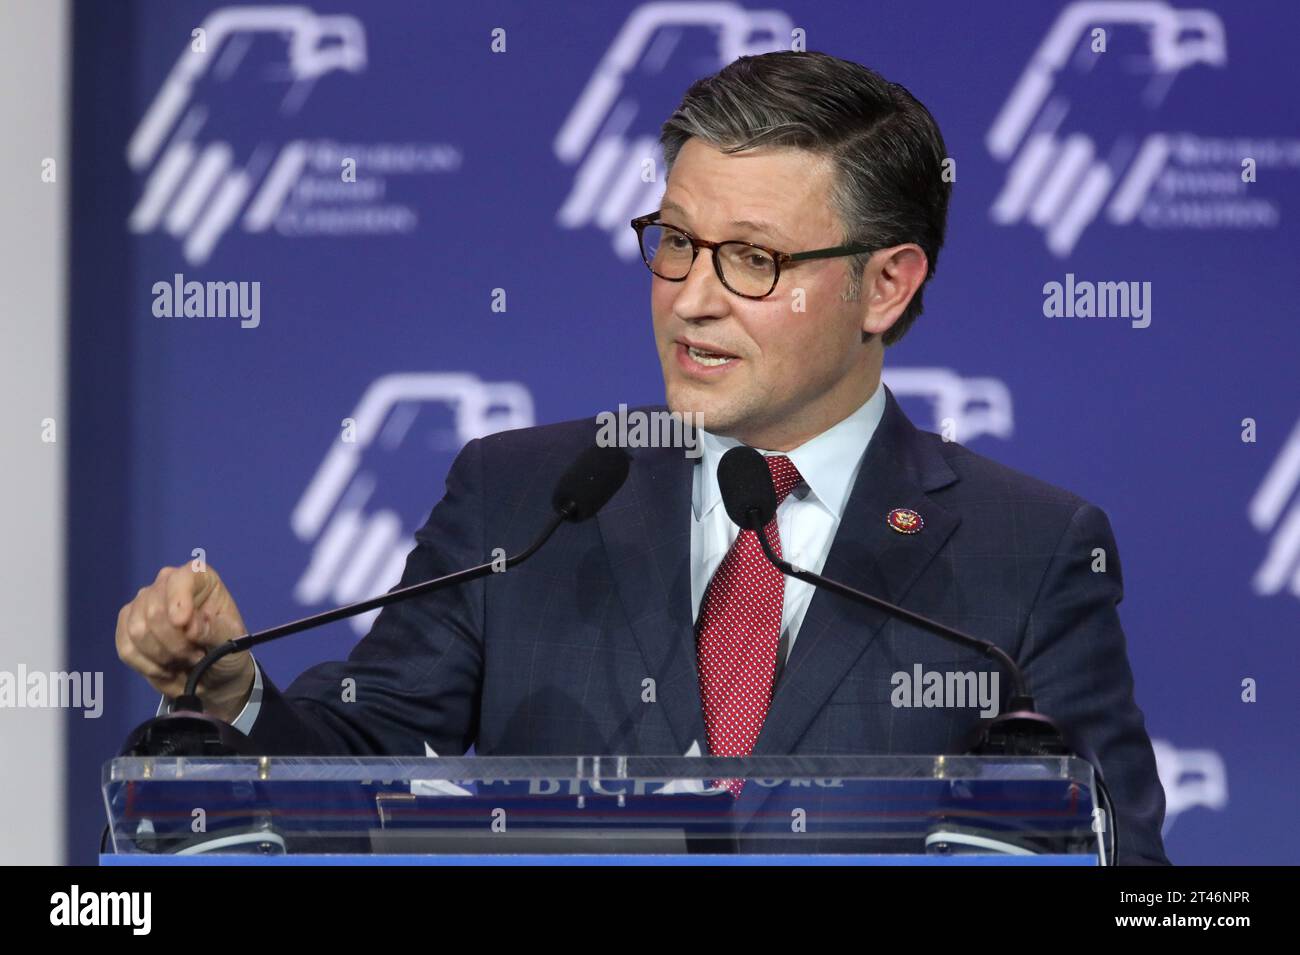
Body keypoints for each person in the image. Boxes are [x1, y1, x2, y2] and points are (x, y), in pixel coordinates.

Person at [115, 51, 1169, 864]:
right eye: (674, 240)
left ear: (885, 286)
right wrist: (236, 694)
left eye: (752, 258)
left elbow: (1120, 864)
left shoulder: (1024, 551)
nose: (692, 296)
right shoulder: (525, 496)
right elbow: (354, 774)